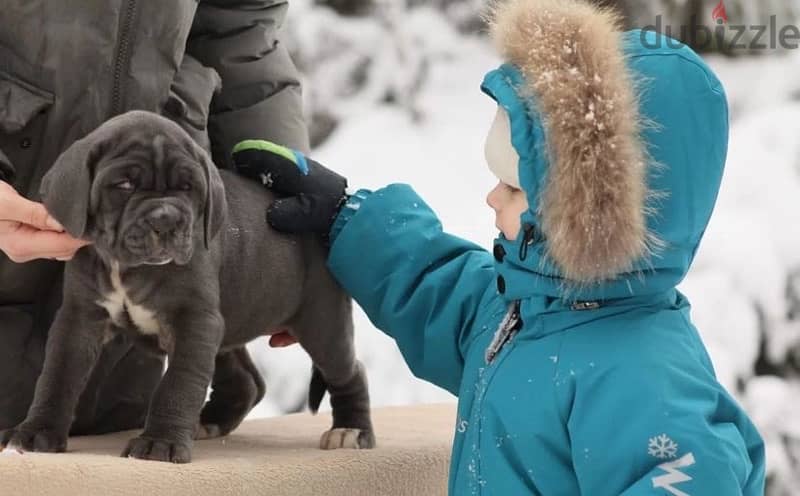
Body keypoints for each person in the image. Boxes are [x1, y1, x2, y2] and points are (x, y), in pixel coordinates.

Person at [231, 0, 766, 493]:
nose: (492, 196)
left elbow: (696, 475)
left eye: (513, 187)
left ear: (586, 215)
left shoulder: (645, 379)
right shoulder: (529, 311)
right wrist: (345, 216)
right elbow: (441, 294)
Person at [0, 0, 309, 434]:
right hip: (21, 203)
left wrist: (282, 214)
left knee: (115, 451)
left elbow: (239, 29)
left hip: (147, 324)